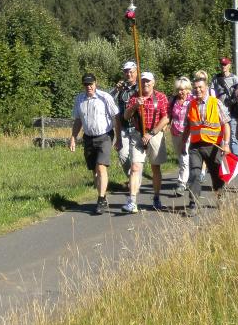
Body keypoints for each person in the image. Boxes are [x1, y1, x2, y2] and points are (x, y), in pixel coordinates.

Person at [182, 74, 232, 217]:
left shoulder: (215, 103)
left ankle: (221, 197)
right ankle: (193, 203)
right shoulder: (190, 105)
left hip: (213, 146)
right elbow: (188, 126)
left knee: (216, 176)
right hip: (195, 146)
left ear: (206, 88)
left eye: (200, 87)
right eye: (195, 88)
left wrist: (226, 144)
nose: (198, 90)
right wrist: (183, 143)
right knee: (195, 173)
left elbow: (226, 124)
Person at [69, 73, 120, 215]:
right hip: (88, 138)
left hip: (104, 136)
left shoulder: (105, 97)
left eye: (91, 84)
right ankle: (101, 195)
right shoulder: (79, 99)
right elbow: (78, 120)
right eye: (86, 84)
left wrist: (119, 138)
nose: (89, 87)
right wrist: (73, 137)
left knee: (101, 167)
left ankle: (101, 199)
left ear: (95, 83)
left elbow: (115, 116)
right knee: (94, 170)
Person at [122, 72, 170, 213]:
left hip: (155, 134)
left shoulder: (161, 97)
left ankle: (156, 197)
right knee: (135, 167)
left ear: (153, 82)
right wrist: (135, 106)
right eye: (143, 81)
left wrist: (152, 133)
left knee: (155, 168)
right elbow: (125, 116)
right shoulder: (135, 97)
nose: (145, 84)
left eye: (148, 81)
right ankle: (132, 200)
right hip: (137, 135)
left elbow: (166, 118)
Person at [109, 61, 138, 192]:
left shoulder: (141, 87)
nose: (129, 74)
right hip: (124, 127)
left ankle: (134, 183)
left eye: (131, 71)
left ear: (136, 72)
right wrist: (116, 89)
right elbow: (107, 99)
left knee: (136, 157)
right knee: (122, 154)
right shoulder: (121, 88)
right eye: (126, 72)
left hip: (138, 127)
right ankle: (132, 179)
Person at [168, 76, 193, 197]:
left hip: (188, 133)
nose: (180, 92)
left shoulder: (192, 100)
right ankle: (189, 177)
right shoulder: (173, 100)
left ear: (188, 89)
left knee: (184, 158)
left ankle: (181, 184)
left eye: (183, 89)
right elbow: (168, 115)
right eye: (178, 89)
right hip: (175, 133)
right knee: (181, 158)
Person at [211, 57, 238, 155]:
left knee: (232, 137)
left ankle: (235, 158)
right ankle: (221, 159)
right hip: (219, 111)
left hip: (231, 110)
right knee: (220, 136)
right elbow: (211, 92)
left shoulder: (235, 78)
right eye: (222, 64)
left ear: (229, 65)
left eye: (225, 64)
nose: (223, 66)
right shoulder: (216, 78)